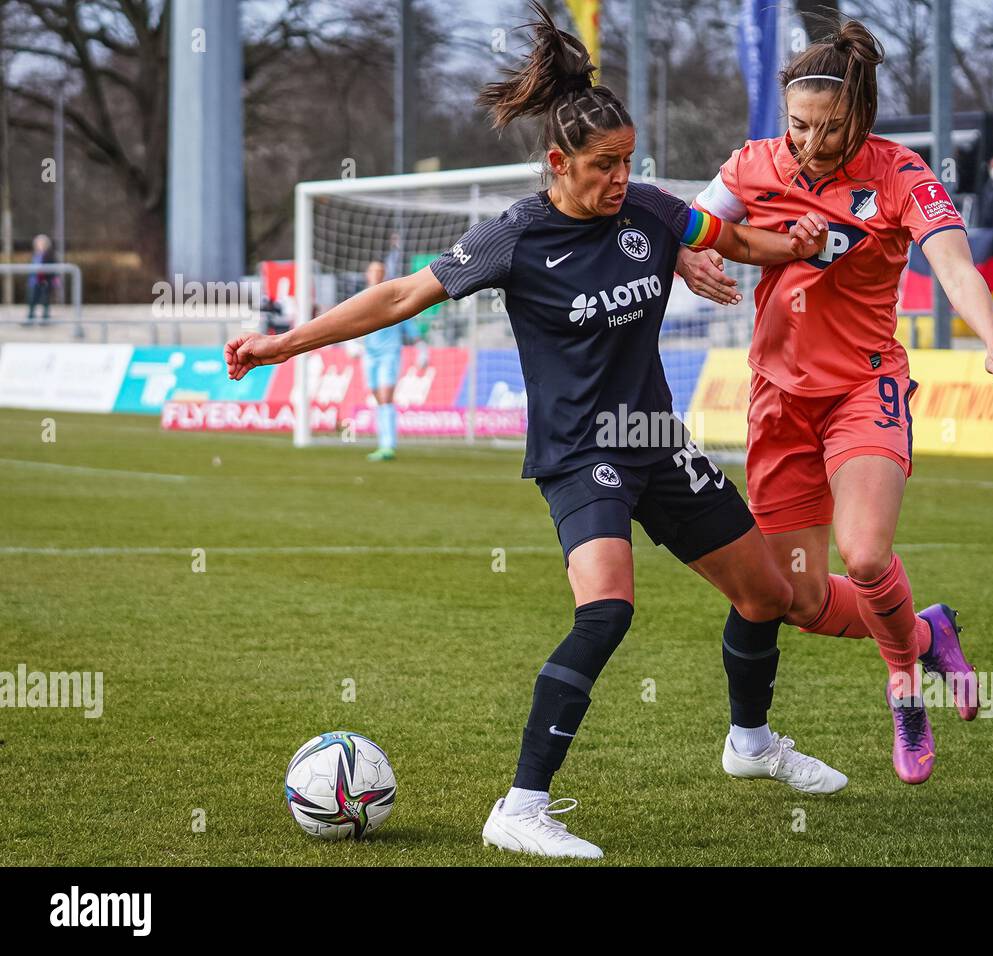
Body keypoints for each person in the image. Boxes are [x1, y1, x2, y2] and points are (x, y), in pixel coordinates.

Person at [225, 2, 844, 860]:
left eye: (628, 162)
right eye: (602, 166)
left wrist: (804, 243)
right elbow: (402, 295)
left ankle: (751, 743)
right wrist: (283, 343)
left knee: (769, 593)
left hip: (654, 442)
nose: (619, 178)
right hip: (581, 453)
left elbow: (732, 236)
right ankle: (520, 807)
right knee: (607, 611)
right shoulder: (514, 237)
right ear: (558, 163)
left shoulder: (653, 214)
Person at [676, 17, 993, 786]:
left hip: (862, 390)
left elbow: (954, 266)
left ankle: (903, 681)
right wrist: (689, 262)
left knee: (866, 554)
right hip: (777, 402)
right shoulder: (752, 165)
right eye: (798, 125)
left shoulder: (902, 173)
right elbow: (687, 226)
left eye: (829, 128)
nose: (809, 143)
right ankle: (927, 630)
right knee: (797, 598)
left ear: (862, 117)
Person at [358, 260, 416, 461]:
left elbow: (410, 325)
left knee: (385, 396)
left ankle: (388, 444)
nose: (376, 274)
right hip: (369, 355)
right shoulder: (360, 298)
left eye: (380, 271)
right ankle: (382, 442)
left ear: (384, 274)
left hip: (389, 353)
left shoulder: (393, 296)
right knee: (378, 397)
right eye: (373, 271)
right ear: (367, 274)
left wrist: (421, 347)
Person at [25, 234, 56, 326]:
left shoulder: (49, 255)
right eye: (38, 243)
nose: (40, 245)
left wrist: (48, 279)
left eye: (41, 243)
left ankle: (45, 319)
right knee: (32, 299)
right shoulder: (35, 254)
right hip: (33, 281)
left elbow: (52, 269)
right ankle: (30, 318)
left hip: (44, 281)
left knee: (45, 300)